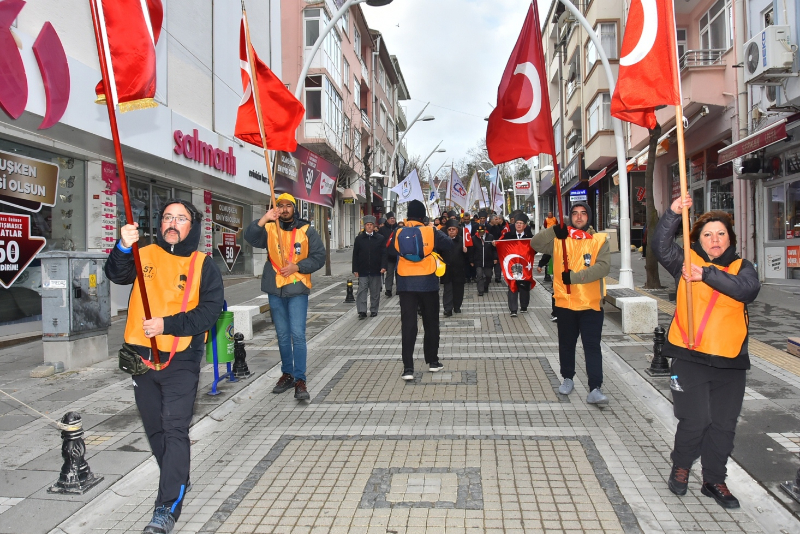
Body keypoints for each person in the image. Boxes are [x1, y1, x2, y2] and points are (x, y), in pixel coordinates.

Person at [105, 199, 224, 534]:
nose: (173, 222)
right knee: (155, 430)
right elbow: (115, 273)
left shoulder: (203, 265)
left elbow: (209, 312)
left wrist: (166, 325)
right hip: (141, 358)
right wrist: (123, 246)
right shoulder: (144, 254)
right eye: (168, 217)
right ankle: (178, 477)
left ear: (193, 225)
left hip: (180, 357)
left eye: (181, 218)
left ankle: (167, 508)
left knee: (175, 429)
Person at [653, 194, 760, 509]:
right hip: (689, 358)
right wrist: (673, 214)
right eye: (707, 234)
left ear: (730, 238)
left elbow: (747, 290)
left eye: (721, 233)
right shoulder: (685, 262)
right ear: (697, 239)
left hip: (730, 363)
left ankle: (715, 479)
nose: (715, 239)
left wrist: (708, 275)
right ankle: (682, 465)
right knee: (696, 419)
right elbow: (660, 247)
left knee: (724, 424)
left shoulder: (744, 267)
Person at [244, 193, 325, 401]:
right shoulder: (270, 228)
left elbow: (319, 257)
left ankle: (300, 379)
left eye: (289, 205)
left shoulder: (306, 230)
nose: (285, 209)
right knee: (281, 335)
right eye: (281, 206)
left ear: (294, 208)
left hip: (297, 289)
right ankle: (287, 374)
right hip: (275, 289)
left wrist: (297, 266)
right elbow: (250, 237)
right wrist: (264, 219)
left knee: (297, 335)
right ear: (276, 208)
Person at [532, 201, 610, 405]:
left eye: (583, 213)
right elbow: (536, 244)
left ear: (589, 216)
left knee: (591, 346)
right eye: (575, 213)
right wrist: (553, 230)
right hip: (565, 304)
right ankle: (567, 378)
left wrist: (575, 277)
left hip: (591, 304)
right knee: (567, 345)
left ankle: (595, 387)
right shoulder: (560, 239)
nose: (579, 217)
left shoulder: (599, 240)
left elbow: (603, 267)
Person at [384, 199, 453, 381]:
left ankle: (408, 368)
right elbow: (449, 245)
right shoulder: (430, 231)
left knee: (408, 325)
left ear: (408, 215)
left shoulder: (399, 231)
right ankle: (432, 362)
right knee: (431, 323)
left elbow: (390, 251)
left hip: (406, 283)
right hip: (428, 282)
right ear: (423, 216)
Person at [352, 215, 387, 319]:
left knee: (375, 291)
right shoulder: (359, 239)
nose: (369, 227)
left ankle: (374, 310)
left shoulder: (380, 238)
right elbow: (355, 254)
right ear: (364, 226)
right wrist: (355, 269)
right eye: (367, 225)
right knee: (362, 290)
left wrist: (383, 266)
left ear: (374, 226)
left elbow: (384, 253)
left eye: (371, 225)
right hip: (362, 269)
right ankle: (362, 311)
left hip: (376, 269)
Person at [502, 211, 534, 317]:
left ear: (525, 225)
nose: (518, 225)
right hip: (512, 265)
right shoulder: (508, 235)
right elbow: (501, 245)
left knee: (524, 286)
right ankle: (513, 309)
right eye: (517, 223)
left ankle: (524, 305)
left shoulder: (529, 236)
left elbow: (535, 249)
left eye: (521, 223)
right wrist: (495, 244)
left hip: (524, 265)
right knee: (512, 285)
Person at [441, 218, 468, 316]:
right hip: (447, 270)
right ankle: (447, 309)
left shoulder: (462, 241)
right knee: (448, 290)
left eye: (453, 229)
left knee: (458, 290)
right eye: (449, 229)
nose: (451, 231)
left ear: (457, 230)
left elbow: (468, 257)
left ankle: (457, 306)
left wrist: (466, 252)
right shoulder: (443, 240)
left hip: (459, 270)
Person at [470, 225, 496, 296]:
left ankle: (485, 286)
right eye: (479, 231)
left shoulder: (490, 237)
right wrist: (471, 260)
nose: (480, 233)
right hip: (478, 261)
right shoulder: (474, 238)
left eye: (482, 231)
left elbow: (494, 249)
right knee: (479, 275)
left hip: (488, 261)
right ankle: (480, 290)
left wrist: (495, 258)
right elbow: (471, 250)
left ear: (485, 231)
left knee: (488, 275)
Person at [379, 212, 399, 297]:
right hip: (388, 255)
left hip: (398, 255)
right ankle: (388, 289)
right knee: (389, 273)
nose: (393, 220)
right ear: (387, 220)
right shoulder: (382, 229)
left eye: (394, 218)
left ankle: (399, 289)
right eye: (391, 218)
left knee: (399, 273)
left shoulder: (399, 229)